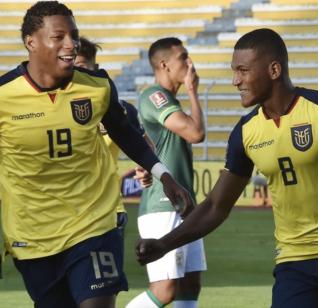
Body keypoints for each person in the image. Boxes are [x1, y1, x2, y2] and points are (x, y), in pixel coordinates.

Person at [136, 28, 318, 308]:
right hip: (295, 266)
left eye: (243, 70)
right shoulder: (246, 132)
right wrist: (164, 244)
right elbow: (217, 205)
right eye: (234, 71)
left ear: (274, 70)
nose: (235, 80)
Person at [0, 2, 192, 308]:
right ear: (31, 42)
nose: (71, 44)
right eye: (59, 37)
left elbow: (125, 132)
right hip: (33, 238)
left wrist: (164, 175)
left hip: (94, 225)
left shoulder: (97, 87)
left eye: (74, 35)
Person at [127, 37, 206, 308]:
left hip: (184, 207)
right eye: (183, 57)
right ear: (164, 64)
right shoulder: (154, 95)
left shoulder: (171, 100)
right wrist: (193, 91)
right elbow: (196, 133)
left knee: (190, 286)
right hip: (163, 205)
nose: (189, 63)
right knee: (165, 289)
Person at [74, 36, 154, 233]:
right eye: (73, 66)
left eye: (82, 66)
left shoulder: (122, 111)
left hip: (107, 210)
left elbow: (144, 145)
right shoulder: (52, 108)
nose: (77, 72)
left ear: (96, 67)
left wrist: (145, 168)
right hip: (65, 209)